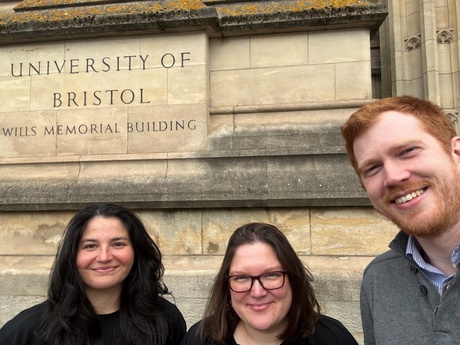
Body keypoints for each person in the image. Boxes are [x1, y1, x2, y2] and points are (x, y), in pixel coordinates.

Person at [340, 95, 460, 344]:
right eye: (372, 168)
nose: (393, 177)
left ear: (456, 153)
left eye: (407, 152)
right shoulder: (378, 279)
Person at [0, 203, 186, 345]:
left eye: (118, 244)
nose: (104, 257)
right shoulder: (26, 332)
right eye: (90, 246)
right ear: (72, 256)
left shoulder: (165, 319)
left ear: (137, 252)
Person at [181, 222, 358, 345]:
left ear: (293, 279)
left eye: (271, 275)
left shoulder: (332, 338)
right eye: (241, 278)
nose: (257, 292)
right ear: (227, 286)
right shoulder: (200, 339)